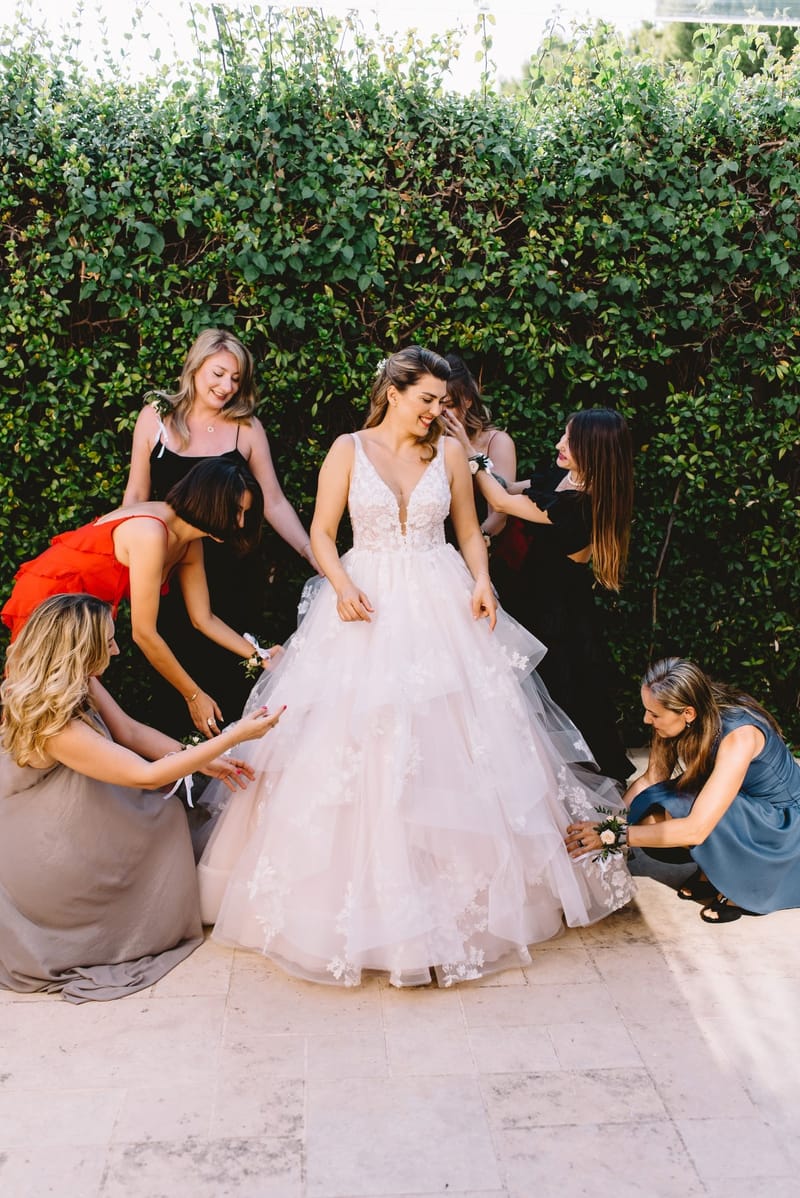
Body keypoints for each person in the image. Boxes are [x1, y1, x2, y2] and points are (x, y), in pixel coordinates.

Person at [197, 346, 633, 989]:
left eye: (441, 400)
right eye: (426, 398)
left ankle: (459, 899)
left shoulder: (452, 453)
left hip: (441, 598)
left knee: (455, 740)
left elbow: (468, 532)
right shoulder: (347, 449)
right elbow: (321, 531)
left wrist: (483, 583)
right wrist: (340, 583)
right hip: (363, 601)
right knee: (358, 744)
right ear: (394, 392)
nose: (438, 411)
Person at [0, 593, 284, 1003]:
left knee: (162, 809)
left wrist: (202, 761)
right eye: (109, 642)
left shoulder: (78, 682)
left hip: (55, 811)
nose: (116, 649)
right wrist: (234, 736)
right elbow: (143, 773)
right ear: (83, 648)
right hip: (45, 848)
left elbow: (130, 732)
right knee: (162, 814)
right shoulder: (57, 726)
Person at [123, 329, 319, 734]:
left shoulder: (244, 427)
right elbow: (138, 493)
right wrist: (124, 562)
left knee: (230, 671)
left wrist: (310, 551)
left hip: (231, 571)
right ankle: (177, 773)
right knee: (171, 665)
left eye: (236, 379)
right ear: (195, 368)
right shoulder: (155, 417)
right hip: (168, 563)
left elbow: (274, 501)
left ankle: (226, 773)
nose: (226, 386)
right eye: (218, 374)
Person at [1, 458, 281, 738]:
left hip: (85, 614)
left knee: (69, 704)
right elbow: (144, 634)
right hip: (51, 601)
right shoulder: (151, 533)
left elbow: (203, 618)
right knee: (36, 698)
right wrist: (193, 696)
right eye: (235, 511)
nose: (241, 523)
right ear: (211, 499)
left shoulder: (189, 542)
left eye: (245, 513)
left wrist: (260, 655)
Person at [463, 408, 635, 784]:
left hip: (558, 614)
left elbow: (504, 504)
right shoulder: (565, 476)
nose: (559, 444)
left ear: (594, 449)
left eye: (570, 441)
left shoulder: (583, 505)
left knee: (566, 700)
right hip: (529, 595)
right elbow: (508, 489)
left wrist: (467, 450)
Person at [565, 657, 800, 923]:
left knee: (680, 813)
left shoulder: (739, 736)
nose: (646, 719)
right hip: (743, 808)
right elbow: (652, 778)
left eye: (654, 714)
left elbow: (696, 828)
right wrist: (606, 824)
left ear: (687, 712)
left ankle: (742, 881)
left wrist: (614, 837)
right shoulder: (683, 715)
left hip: (781, 825)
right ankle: (714, 871)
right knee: (648, 810)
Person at [440, 353, 527, 611]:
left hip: (488, 549)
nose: (439, 413)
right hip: (438, 549)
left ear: (466, 400)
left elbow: (499, 512)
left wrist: (474, 546)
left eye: (447, 404)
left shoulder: (496, 442)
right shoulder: (431, 442)